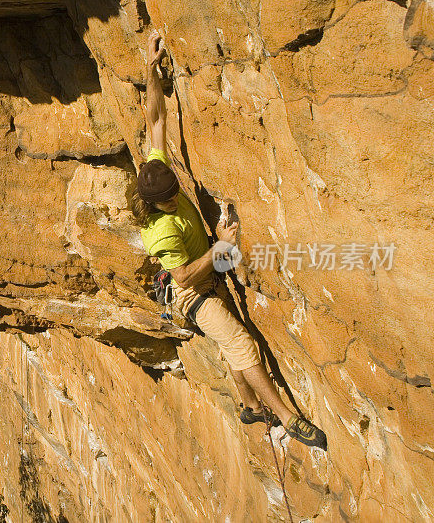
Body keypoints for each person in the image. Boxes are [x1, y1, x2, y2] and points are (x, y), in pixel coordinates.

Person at [134, 31, 327, 450]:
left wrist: (150, 67)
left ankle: (248, 405)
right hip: (191, 295)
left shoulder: (154, 171)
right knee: (240, 341)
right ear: (154, 204)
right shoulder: (161, 231)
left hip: (207, 272)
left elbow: (156, 119)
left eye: (174, 192)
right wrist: (221, 247)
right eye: (169, 200)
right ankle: (288, 417)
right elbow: (182, 277)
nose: (175, 199)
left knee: (231, 343)